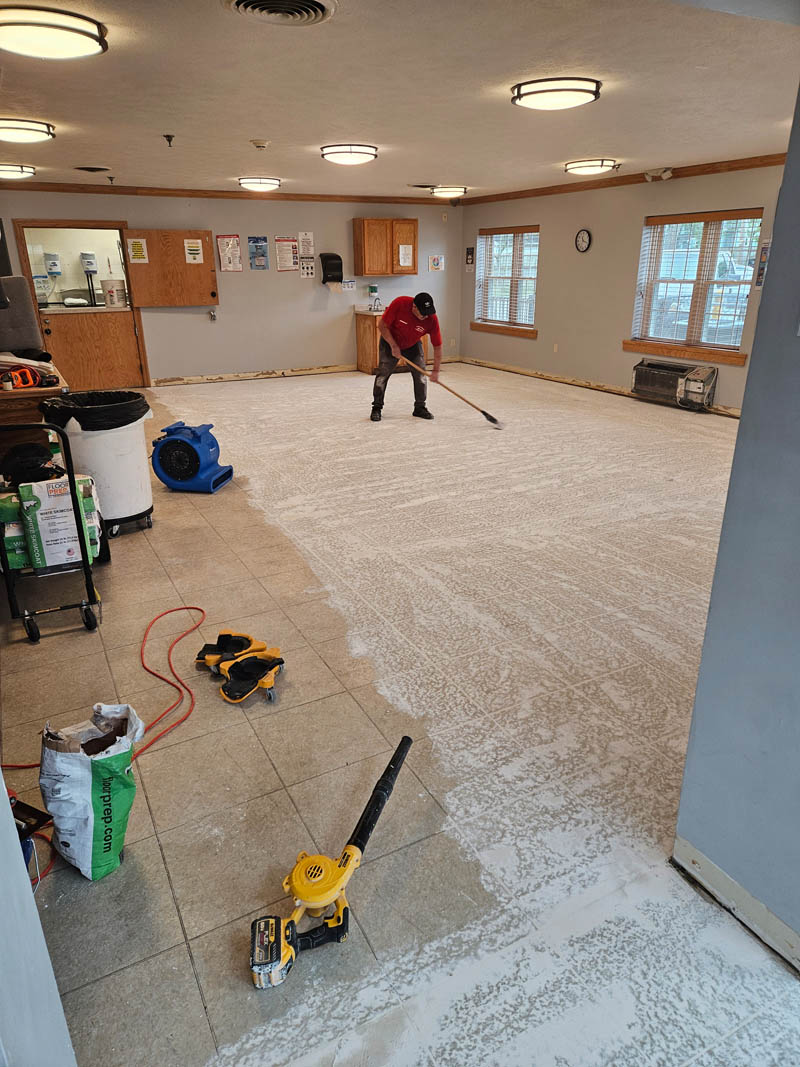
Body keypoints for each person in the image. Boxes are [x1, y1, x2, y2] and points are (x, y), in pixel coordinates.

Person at [370, 292, 442, 422]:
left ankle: (420, 407)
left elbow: (437, 346)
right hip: (390, 341)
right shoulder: (400, 304)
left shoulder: (431, 319)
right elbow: (382, 325)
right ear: (414, 307)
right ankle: (377, 407)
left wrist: (436, 370)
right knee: (383, 374)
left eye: (428, 313)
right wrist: (393, 346)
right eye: (423, 313)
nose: (426, 316)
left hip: (412, 345)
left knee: (421, 375)